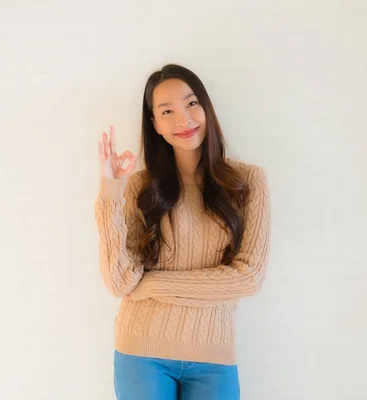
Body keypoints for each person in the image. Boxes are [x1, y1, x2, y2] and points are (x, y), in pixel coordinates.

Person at [94, 64, 271, 400]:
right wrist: (110, 189)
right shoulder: (139, 188)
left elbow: (248, 277)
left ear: (206, 107)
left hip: (214, 356)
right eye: (167, 111)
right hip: (140, 350)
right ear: (156, 125)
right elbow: (120, 282)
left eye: (191, 104)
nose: (183, 120)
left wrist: (151, 285)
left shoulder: (248, 183)